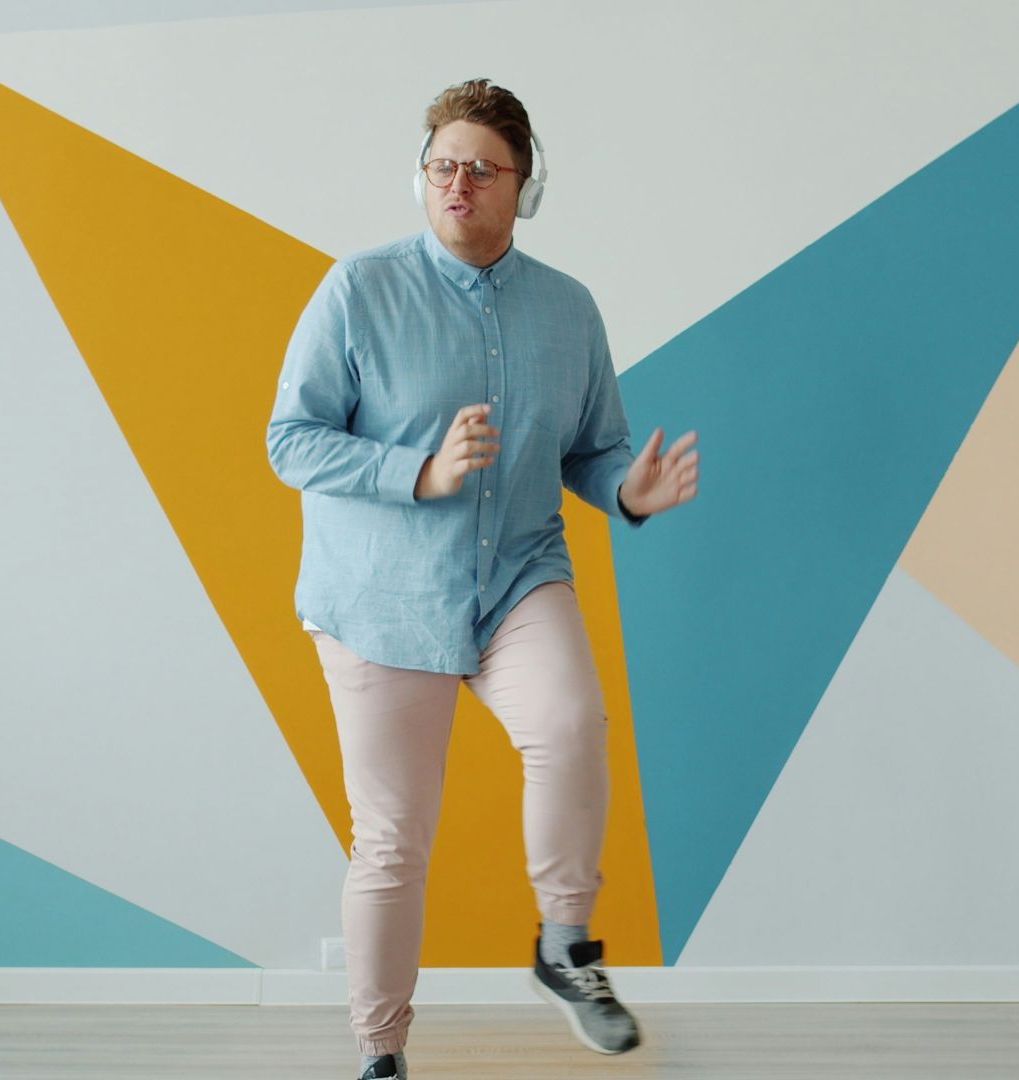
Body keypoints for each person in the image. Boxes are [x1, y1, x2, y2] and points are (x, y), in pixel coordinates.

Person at [266, 77, 699, 1080]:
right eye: (442, 166)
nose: (457, 184)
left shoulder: (567, 309)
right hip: (380, 598)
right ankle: (381, 1052)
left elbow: (593, 450)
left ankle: (564, 945)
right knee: (391, 844)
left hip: (516, 577)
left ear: (523, 188)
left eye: (481, 169)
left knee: (573, 723)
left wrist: (627, 489)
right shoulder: (358, 290)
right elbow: (290, 440)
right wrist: (417, 471)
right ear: (420, 178)